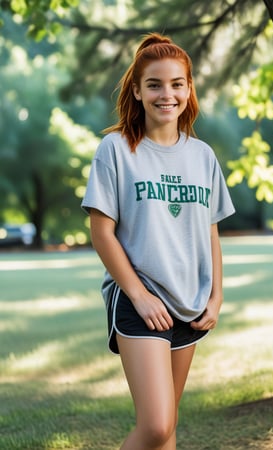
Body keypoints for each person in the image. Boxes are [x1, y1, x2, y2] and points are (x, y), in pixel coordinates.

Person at [82, 32, 235, 450]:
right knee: (154, 425)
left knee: (166, 429)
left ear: (188, 89)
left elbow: (210, 231)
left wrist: (216, 296)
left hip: (188, 300)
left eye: (176, 84)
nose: (166, 94)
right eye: (154, 84)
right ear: (136, 90)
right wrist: (140, 296)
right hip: (139, 298)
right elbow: (101, 231)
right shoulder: (115, 149)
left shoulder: (202, 155)